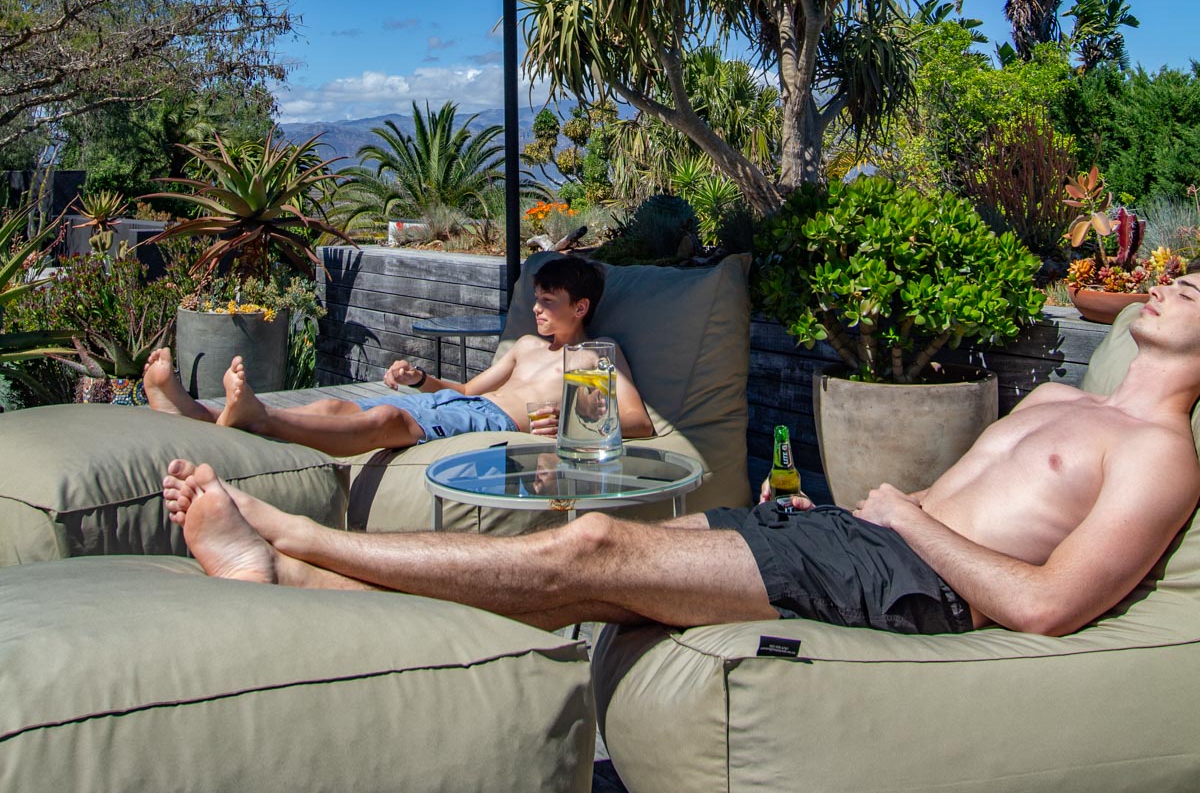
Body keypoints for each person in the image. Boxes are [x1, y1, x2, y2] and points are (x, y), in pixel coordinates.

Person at [162, 274, 1200, 638]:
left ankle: (298, 534)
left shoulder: (1159, 456)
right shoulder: (1066, 393)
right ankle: (287, 576)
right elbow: (955, 497)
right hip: (856, 539)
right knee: (599, 588)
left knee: (597, 547)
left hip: (909, 578)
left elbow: (1051, 605)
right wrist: (870, 509)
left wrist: (909, 519)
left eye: (1191, 292)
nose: (1165, 284)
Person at [143, 257, 654, 457]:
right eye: (536, 299)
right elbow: (469, 392)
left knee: (386, 420)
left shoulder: (592, 358)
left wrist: (568, 426)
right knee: (336, 408)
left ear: (581, 307)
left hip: (491, 426)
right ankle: (195, 411)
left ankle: (255, 416)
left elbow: (636, 421)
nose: (537, 310)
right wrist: (421, 380)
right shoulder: (524, 347)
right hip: (461, 410)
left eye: (549, 302)